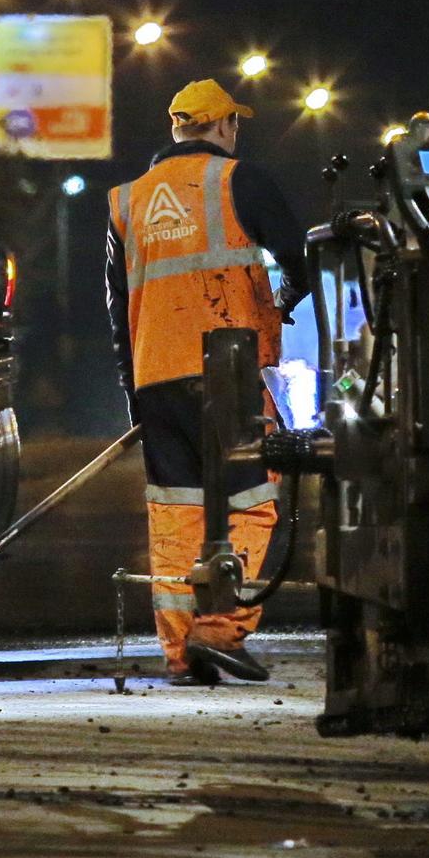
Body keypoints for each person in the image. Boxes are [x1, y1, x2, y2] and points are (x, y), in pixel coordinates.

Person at [105, 78, 310, 686]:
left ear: (175, 128)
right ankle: (219, 631)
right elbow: (297, 261)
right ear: (226, 126)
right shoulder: (240, 179)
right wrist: (283, 303)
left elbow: (118, 308)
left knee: (176, 514)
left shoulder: (125, 200)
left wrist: (132, 393)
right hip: (232, 370)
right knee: (249, 503)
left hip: (156, 376)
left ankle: (181, 656)